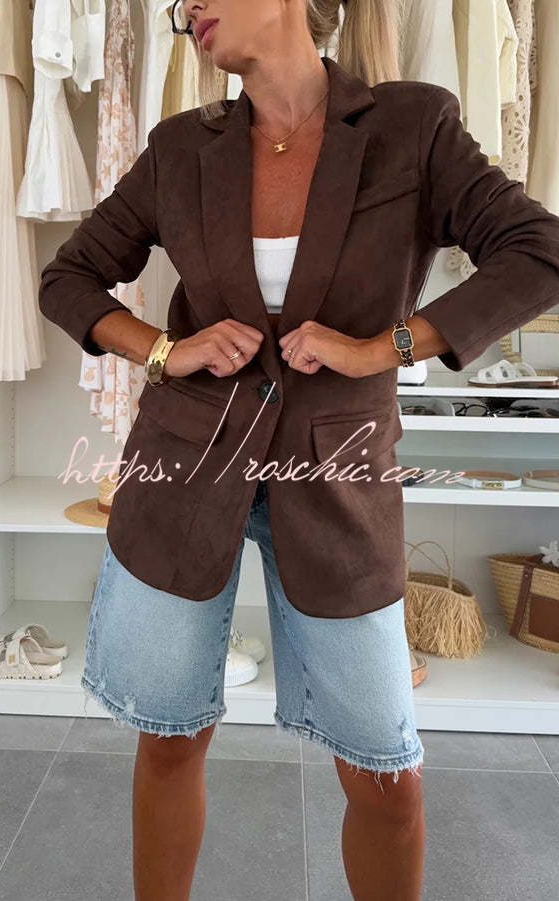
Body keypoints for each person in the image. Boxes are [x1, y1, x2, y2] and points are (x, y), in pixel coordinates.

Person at [38, 2, 559, 899]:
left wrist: (386, 346)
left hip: (339, 480)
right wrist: (165, 350)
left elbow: (537, 250)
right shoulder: (180, 148)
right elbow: (68, 276)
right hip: (186, 470)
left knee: (387, 774)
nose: (187, 9)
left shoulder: (411, 126)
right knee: (170, 742)